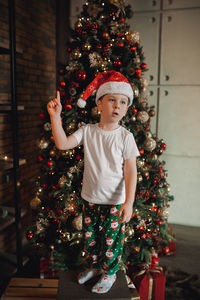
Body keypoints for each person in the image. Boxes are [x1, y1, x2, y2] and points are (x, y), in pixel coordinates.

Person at [47, 70, 140, 294]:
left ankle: (109, 274)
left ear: (127, 108)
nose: (118, 105)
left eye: (123, 102)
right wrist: (55, 117)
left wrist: (128, 203)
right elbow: (62, 143)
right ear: (99, 104)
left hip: (115, 202)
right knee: (91, 240)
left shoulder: (125, 137)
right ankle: (95, 267)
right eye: (112, 100)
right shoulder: (87, 131)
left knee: (111, 242)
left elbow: (131, 171)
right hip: (90, 198)